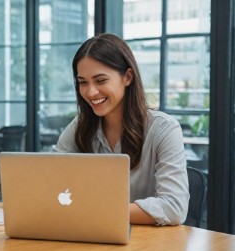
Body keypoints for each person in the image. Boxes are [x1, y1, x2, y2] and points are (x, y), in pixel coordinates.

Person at [55, 33, 189, 226]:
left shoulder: (164, 129)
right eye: (83, 82)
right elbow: (52, 187)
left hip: (150, 247)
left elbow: (174, 208)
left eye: (100, 80)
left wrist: (95, 210)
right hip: (93, 238)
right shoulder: (79, 127)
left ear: (127, 77)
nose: (91, 92)